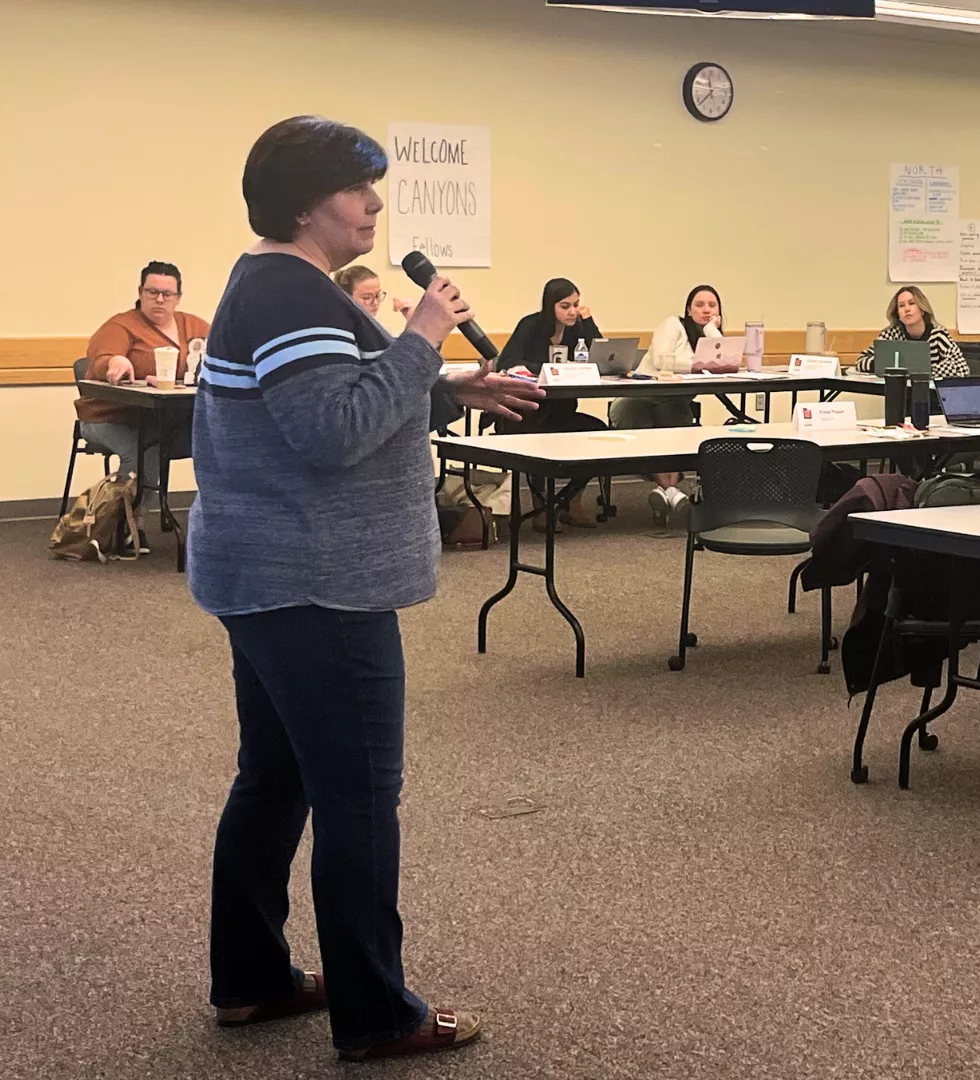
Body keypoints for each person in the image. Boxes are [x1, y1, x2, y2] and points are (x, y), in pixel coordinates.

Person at [191, 115, 541, 1063]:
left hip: (267, 574)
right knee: (356, 798)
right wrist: (425, 332)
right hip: (317, 588)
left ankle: (251, 980)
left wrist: (446, 386)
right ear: (305, 203)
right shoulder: (294, 297)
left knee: (276, 778)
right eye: (358, 188)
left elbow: (328, 394)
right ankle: (379, 1013)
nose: (375, 204)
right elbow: (334, 433)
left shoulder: (271, 281)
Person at [74, 261, 208, 495]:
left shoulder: (193, 325)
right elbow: (99, 361)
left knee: (220, 441)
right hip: (110, 418)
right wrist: (115, 362)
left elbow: (223, 352)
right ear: (140, 293)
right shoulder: (121, 325)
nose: (159, 299)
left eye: (167, 294)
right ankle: (129, 524)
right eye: (152, 292)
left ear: (178, 297)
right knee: (144, 452)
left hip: (167, 419)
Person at [493, 278, 612, 527]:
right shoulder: (530, 325)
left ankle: (567, 501)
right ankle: (542, 508)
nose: (572, 312)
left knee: (598, 433)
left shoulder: (577, 327)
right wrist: (553, 369)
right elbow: (507, 362)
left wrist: (588, 322)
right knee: (538, 438)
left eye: (576, 305)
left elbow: (602, 357)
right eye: (565, 306)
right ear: (550, 306)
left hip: (561, 411)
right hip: (525, 412)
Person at [613, 284, 723, 525]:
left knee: (677, 416)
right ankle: (673, 492)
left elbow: (721, 358)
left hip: (673, 401)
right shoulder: (672, 324)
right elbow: (663, 360)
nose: (706, 310)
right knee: (648, 424)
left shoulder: (707, 333)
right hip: (637, 399)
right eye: (700, 305)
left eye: (712, 306)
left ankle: (666, 493)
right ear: (688, 308)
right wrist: (699, 364)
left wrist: (711, 330)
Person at [855, 286, 968, 378]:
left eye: (912, 303)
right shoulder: (891, 334)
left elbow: (961, 368)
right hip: (899, 394)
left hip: (930, 396)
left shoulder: (938, 335)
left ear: (922, 309)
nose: (907, 309)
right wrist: (884, 365)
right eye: (901, 306)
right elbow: (861, 361)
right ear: (897, 314)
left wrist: (921, 372)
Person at [331, 265, 413, 326]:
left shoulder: (378, 326)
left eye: (377, 295)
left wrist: (411, 319)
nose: (375, 303)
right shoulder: (342, 327)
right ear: (346, 297)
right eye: (367, 298)